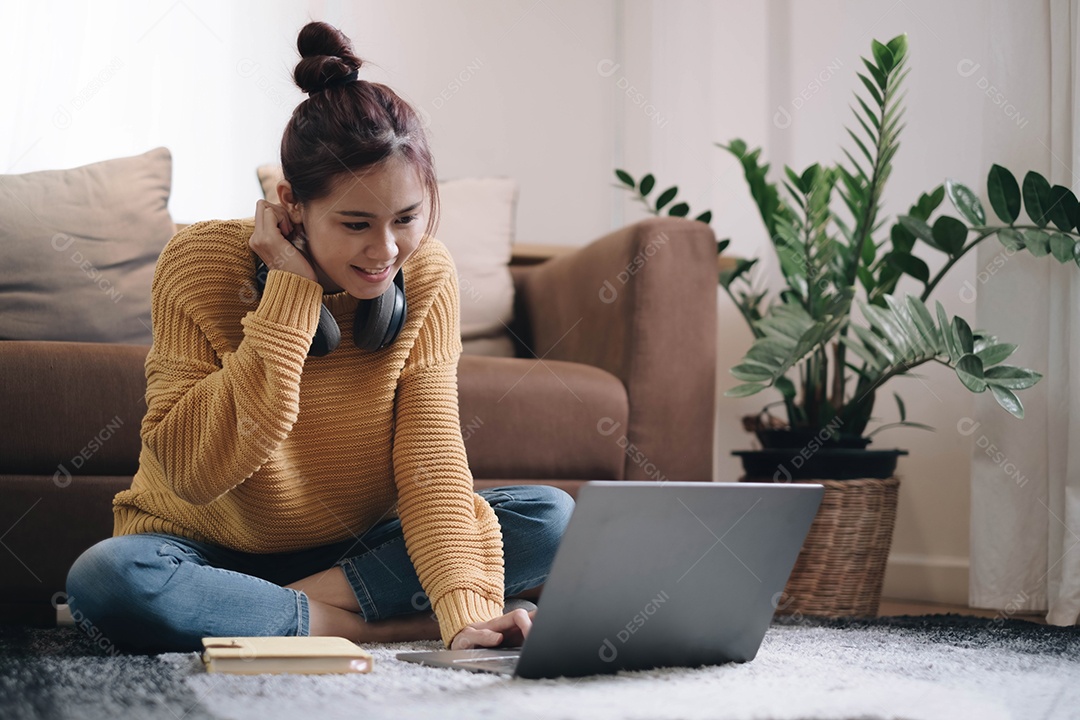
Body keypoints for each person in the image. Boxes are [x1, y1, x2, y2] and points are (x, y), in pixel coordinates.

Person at [65, 20, 574, 653]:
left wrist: (467, 612)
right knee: (110, 578)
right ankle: (378, 627)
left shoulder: (428, 274)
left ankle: (265, 612)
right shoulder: (198, 262)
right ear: (292, 203)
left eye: (406, 219)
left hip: (351, 553)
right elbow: (193, 472)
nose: (385, 251)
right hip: (202, 547)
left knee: (549, 518)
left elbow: (432, 460)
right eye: (356, 223)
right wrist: (289, 294)